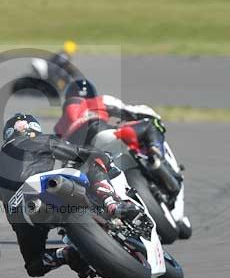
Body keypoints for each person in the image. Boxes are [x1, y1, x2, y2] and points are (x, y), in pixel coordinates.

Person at [0, 113, 142, 278]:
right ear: (34, 129)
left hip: (20, 215)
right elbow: (77, 152)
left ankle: (65, 254)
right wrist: (102, 155)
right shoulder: (39, 140)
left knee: (35, 265)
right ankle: (111, 203)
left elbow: (2, 198)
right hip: (44, 187)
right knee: (92, 161)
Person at [55, 78, 185, 208]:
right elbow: (140, 111)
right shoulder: (99, 101)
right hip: (105, 137)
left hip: (81, 161)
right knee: (151, 124)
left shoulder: (60, 125)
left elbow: (60, 151)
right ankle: (157, 157)